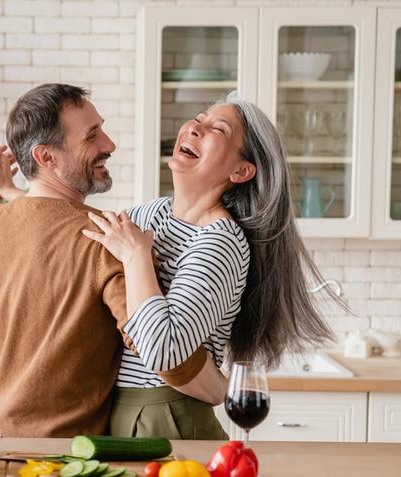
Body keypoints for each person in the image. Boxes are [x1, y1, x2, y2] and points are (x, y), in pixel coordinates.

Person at [0, 84, 222, 438]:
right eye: (92, 136)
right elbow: (161, 352)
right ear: (46, 157)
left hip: (1, 442)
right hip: (68, 456)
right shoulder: (105, 240)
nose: (109, 145)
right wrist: (222, 390)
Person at [78, 93, 336, 437]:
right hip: (118, 410)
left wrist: (137, 256)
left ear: (241, 170)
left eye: (218, 129)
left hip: (167, 417)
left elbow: (165, 351)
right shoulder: (149, 214)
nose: (195, 128)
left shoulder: (221, 242)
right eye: (198, 119)